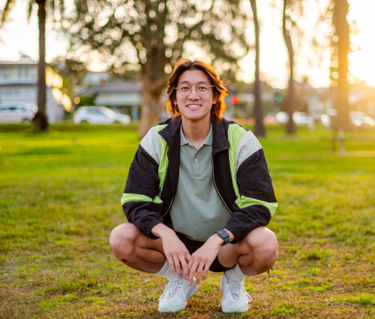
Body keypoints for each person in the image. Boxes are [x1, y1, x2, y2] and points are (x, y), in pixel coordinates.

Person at [109, 59, 278, 313]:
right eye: (184, 88)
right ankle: (179, 277)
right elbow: (135, 199)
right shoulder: (157, 139)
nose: (193, 95)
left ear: (214, 96)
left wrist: (218, 239)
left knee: (266, 245)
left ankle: (233, 280)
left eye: (202, 88)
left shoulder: (241, 139)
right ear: (175, 98)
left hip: (226, 246)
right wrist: (166, 235)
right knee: (121, 238)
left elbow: (260, 203)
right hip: (176, 244)